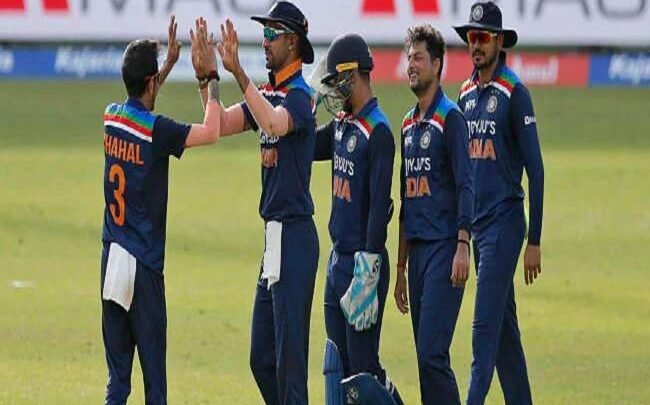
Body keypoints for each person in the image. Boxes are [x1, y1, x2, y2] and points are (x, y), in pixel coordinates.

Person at [192, 2, 319, 403]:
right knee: (262, 359)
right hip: (274, 240)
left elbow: (275, 124)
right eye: (263, 33)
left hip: (295, 235)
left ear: (292, 42)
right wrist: (209, 78)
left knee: (290, 366)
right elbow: (219, 125)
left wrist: (238, 74)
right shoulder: (269, 93)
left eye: (271, 34)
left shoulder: (300, 97)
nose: (263, 41)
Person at [100, 16, 223, 404]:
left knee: (118, 382)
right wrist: (210, 77)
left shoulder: (111, 118)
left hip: (111, 260)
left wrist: (165, 65)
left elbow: (140, 104)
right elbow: (212, 131)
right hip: (144, 267)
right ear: (152, 82)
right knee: (155, 384)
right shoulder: (159, 131)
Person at [453, 2, 545, 404]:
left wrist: (534, 240)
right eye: (471, 37)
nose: (476, 45)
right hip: (477, 227)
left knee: (483, 332)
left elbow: (536, 170)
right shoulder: (465, 93)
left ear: (499, 41)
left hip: (505, 225)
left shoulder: (514, 93)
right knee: (505, 335)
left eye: (483, 38)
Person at [313, 33, 403, 405]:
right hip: (337, 262)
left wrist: (368, 272)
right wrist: (303, 106)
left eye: (337, 81)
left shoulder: (378, 132)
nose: (334, 90)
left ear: (353, 75)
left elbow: (380, 207)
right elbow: (304, 144)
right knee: (337, 365)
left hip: (363, 266)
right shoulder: (341, 125)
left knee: (363, 374)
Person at [393, 24, 473, 405]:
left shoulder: (450, 118)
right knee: (425, 361)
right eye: (409, 58)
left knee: (432, 354)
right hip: (418, 255)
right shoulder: (408, 124)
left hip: (445, 249)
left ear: (437, 64)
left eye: (419, 59)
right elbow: (405, 200)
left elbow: (466, 185)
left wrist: (462, 245)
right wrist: (400, 267)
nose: (411, 66)